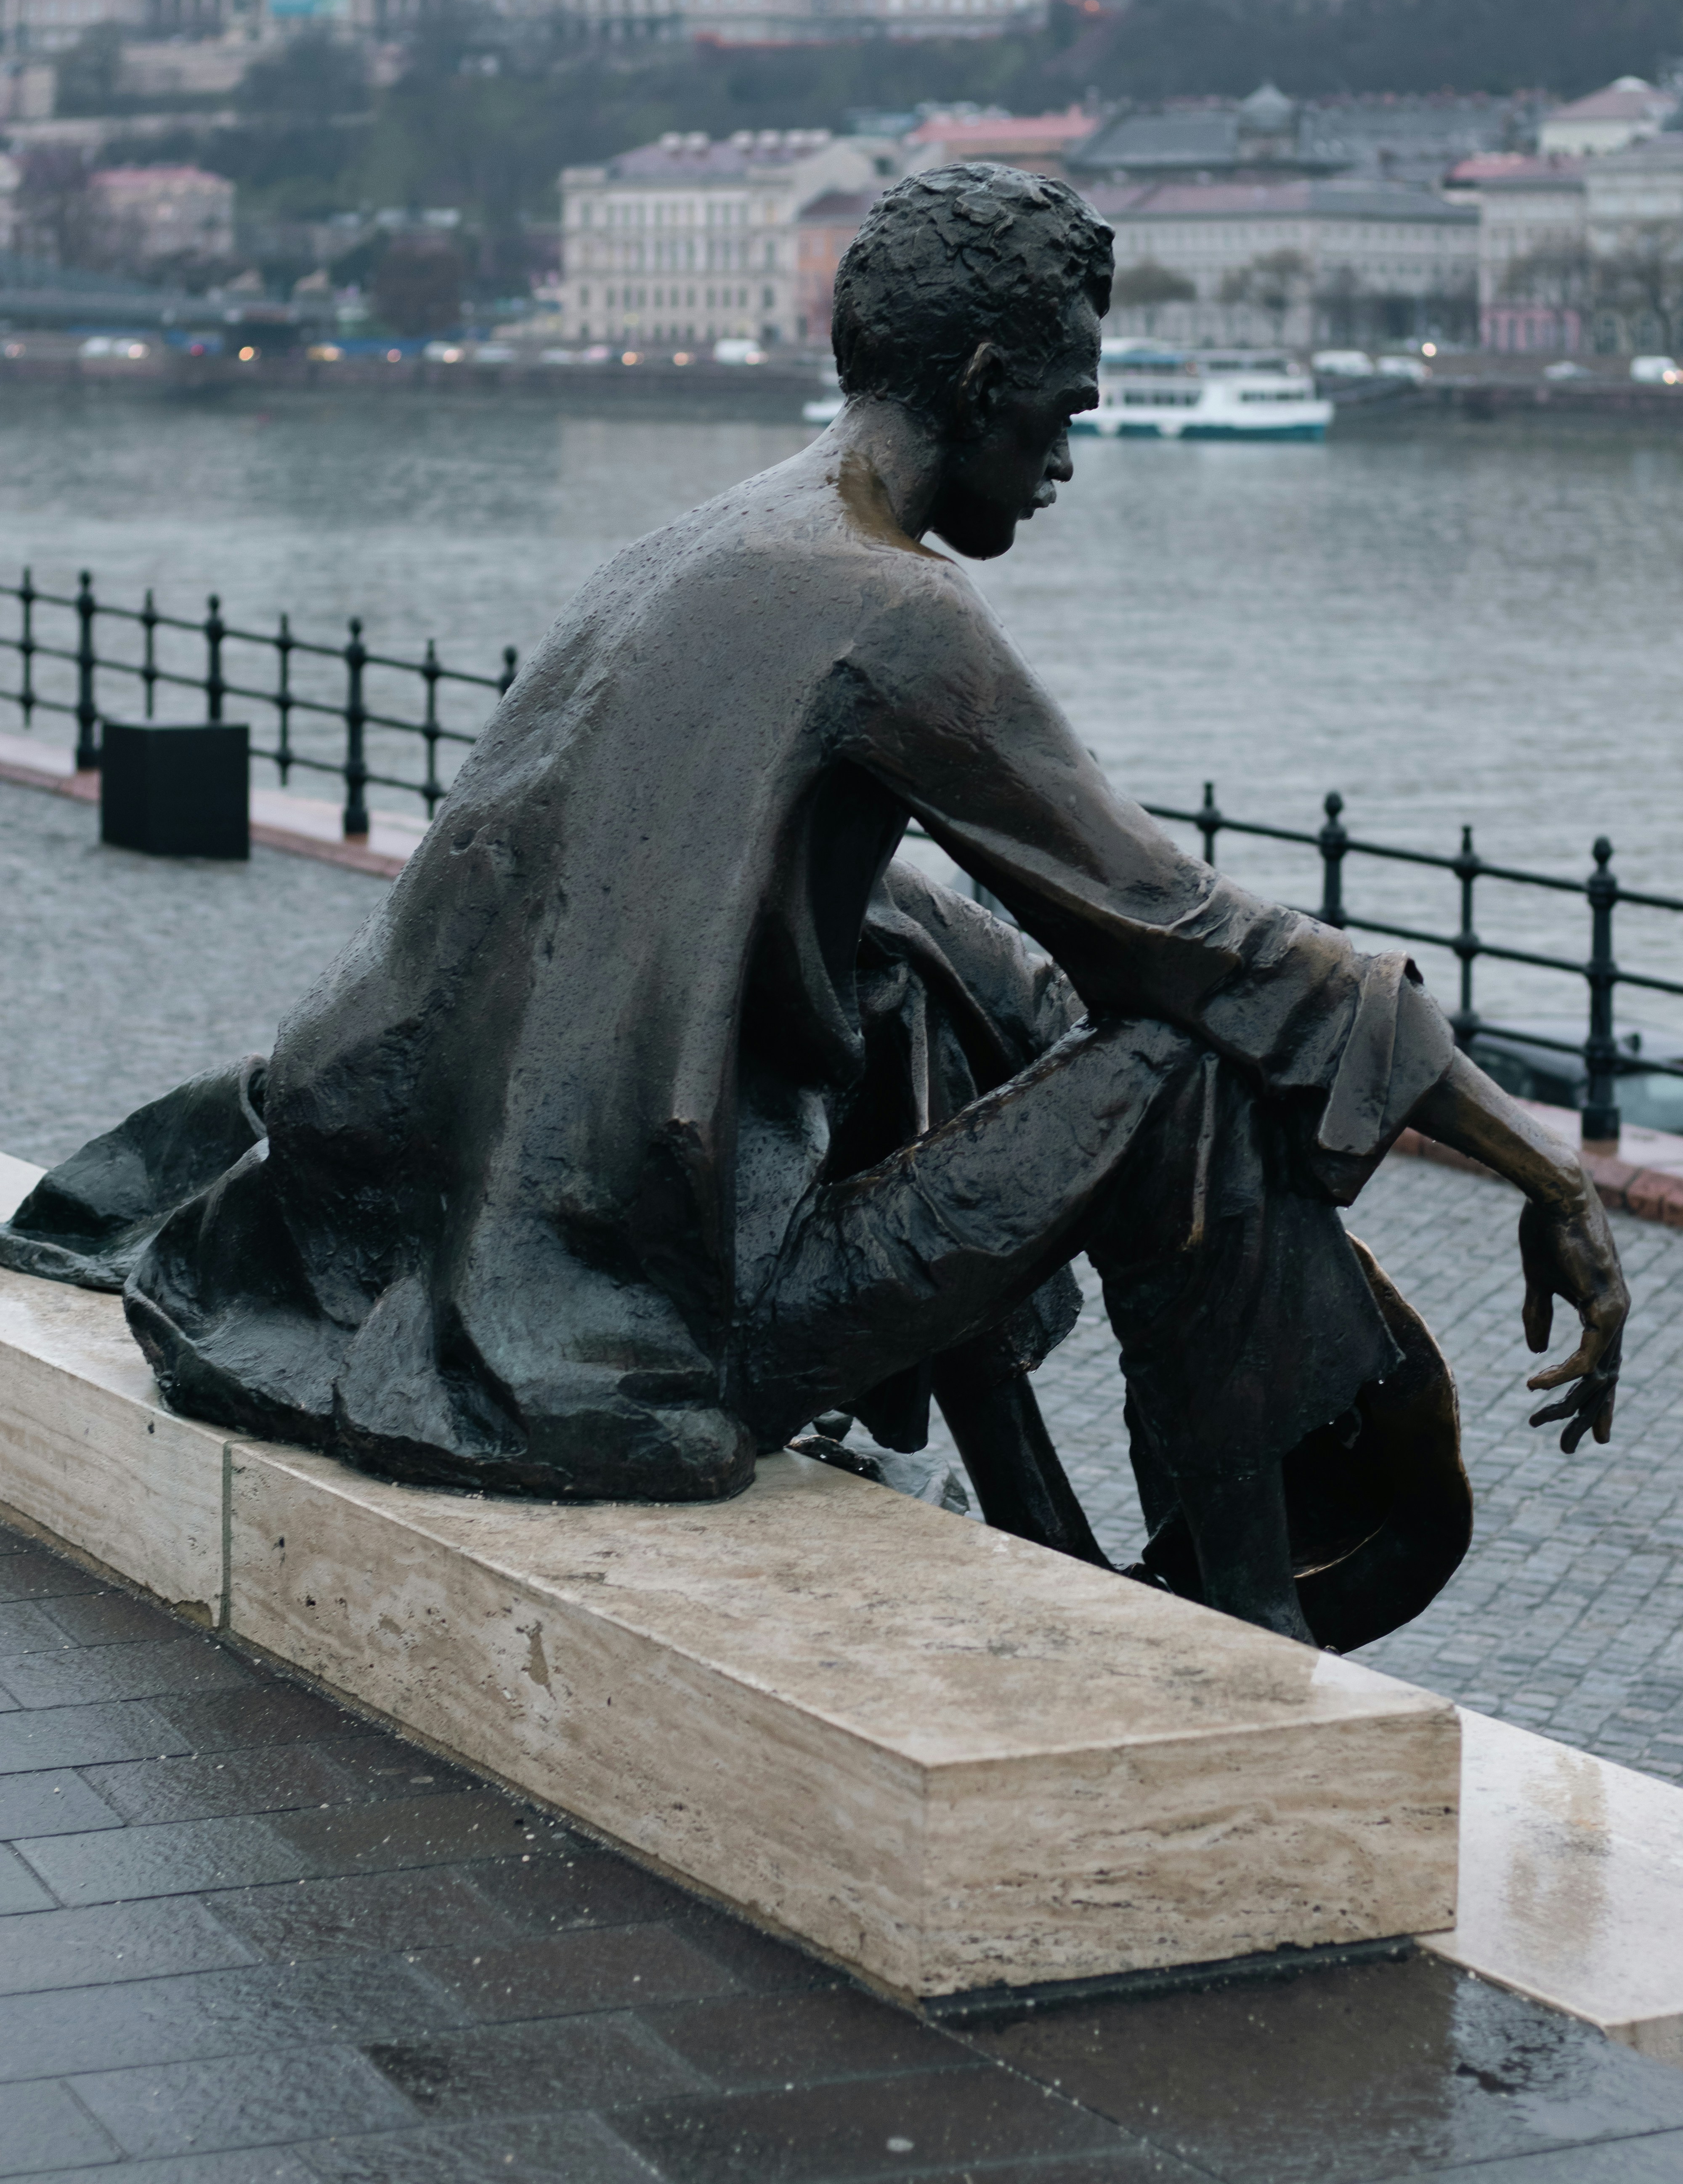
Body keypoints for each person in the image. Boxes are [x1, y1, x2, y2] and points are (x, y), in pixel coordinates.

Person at [0, 164, 1628, 1647]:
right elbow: (1205, 945)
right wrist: (1538, 1160)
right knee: (1180, 1070)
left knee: (911, 940)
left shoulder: (716, 534)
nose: (1065, 466)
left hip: (471, 1241)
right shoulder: (899, 618)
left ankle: (1055, 1538)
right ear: (987, 388)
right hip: (644, 1322)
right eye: (1061, 418)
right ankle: (1239, 1640)